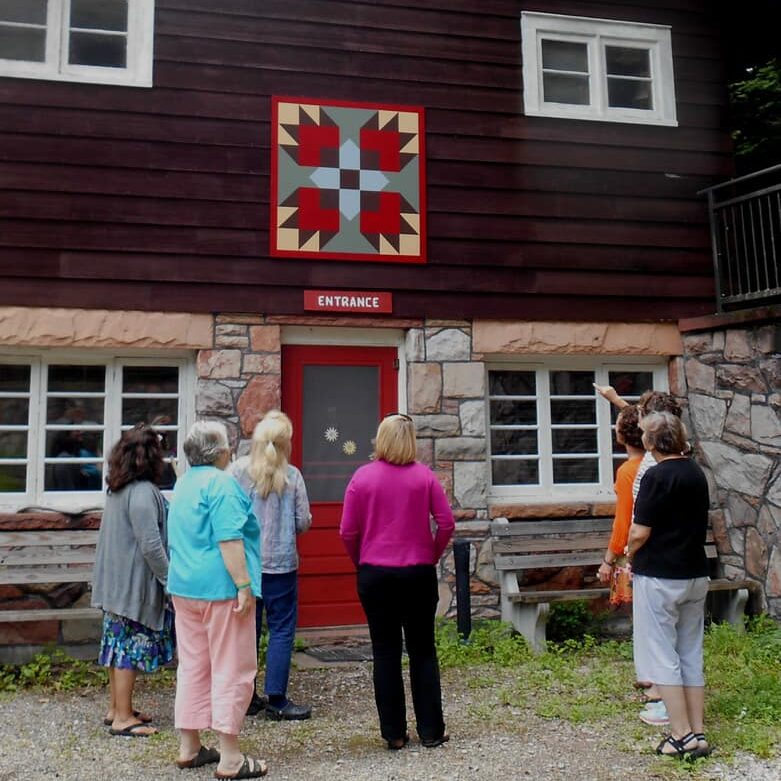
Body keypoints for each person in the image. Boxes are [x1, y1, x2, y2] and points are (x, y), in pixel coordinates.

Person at [340, 413, 455, 750]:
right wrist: (431, 555)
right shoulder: (425, 477)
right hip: (418, 572)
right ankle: (431, 731)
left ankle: (394, 733)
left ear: (381, 440)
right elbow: (446, 523)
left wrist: (360, 561)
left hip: (375, 573)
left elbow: (347, 531)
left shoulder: (362, 478)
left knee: (385, 652)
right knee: (423, 651)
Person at [167, 421, 266, 778]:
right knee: (232, 667)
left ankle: (190, 745)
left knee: (193, 665)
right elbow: (229, 538)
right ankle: (230, 757)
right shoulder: (222, 484)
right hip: (221, 589)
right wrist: (243, 584)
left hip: (184, 586)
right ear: (221, 452)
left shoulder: (184, 483)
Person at [594, 385, 685, 726]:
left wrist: (616, 557)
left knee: (656, 633)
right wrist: (617, 401)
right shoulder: (681, 460)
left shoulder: (642, 469)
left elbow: (629, 523)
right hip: (674, 557)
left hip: (651, 557)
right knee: (666, 634)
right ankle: (666, 693)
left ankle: (661, 696)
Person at [627, 412, 711, 759]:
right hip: (694, 574)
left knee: (663, 655)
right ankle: (699, 733)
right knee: (690, 652)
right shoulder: (695, 472)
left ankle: (680, 735)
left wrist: (626, 555)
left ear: (651, 442)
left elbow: (639, 531)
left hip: (660, 575)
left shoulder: (655, 476)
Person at [91, 424, 173, 737]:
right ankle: (124, 718)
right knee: (127, 650)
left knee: (115, 646)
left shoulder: (118, 487)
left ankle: (116, 709)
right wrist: (169, 580)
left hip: (113, 584)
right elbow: (151, 545)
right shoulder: (141, 493)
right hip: (130, 587)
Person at [231, 410, 313, 721]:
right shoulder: (292, 476)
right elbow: (302, 522)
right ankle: (277, 698)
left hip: (246, 565)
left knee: (245, 632)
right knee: (280, 631)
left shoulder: (238, 472)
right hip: (281, 566)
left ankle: (246, 695)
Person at [597, 405, 644, 608]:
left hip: (633, 552)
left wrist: (608, 560)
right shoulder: (654, 463)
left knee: (639, 618)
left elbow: (624, 520)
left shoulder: (627, 471)